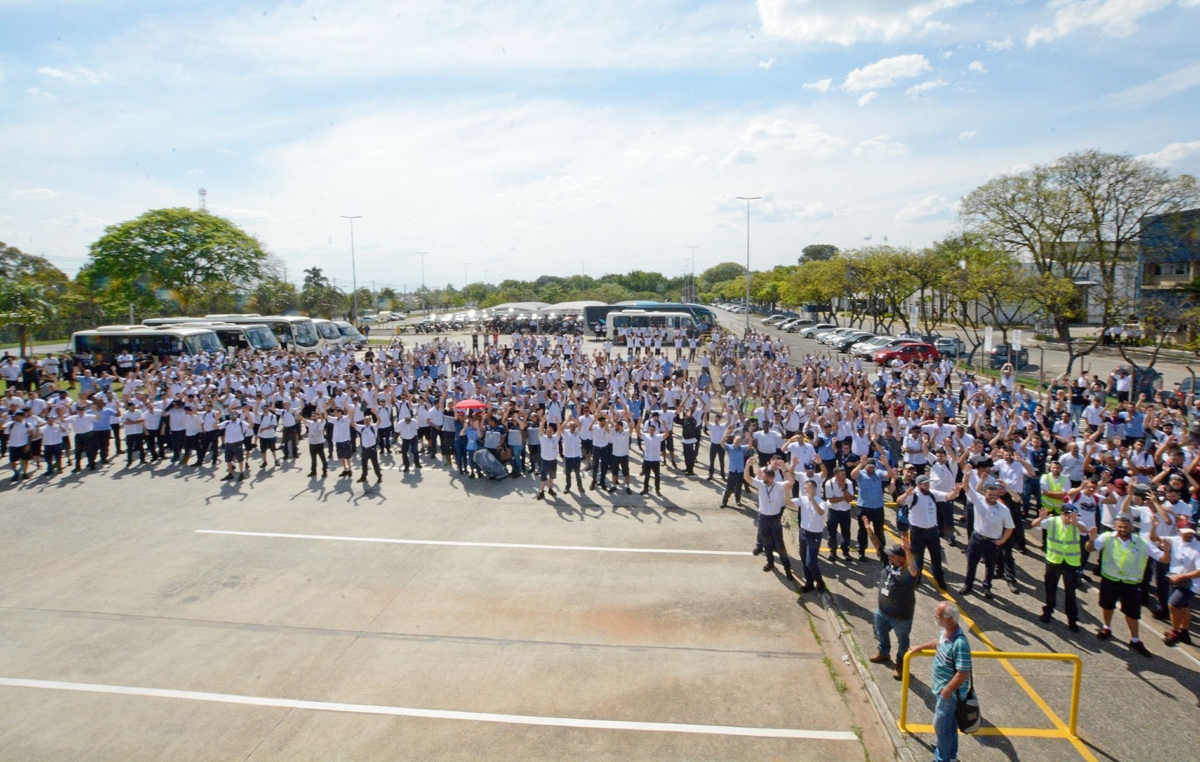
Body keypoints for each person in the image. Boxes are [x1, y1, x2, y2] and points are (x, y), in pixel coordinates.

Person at [1087, 513, 1166, 656]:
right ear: (1115, 526)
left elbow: (1163, 559)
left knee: (1133, 613)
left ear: (1131, 527)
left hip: (1131, 584)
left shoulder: (1141, 542)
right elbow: (1090, 549)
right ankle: (1106, 627)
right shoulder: (1107, 537)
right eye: (1120, 527)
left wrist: (1166, 550)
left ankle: (1135, 639)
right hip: (1110, 580)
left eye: (1126, 526)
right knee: (1107, 606)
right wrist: (1091, 540)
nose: (1123, 529)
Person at [909, 602, 972, 762]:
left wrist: (947, 690)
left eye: (938, 614)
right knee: (949, 726)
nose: (935, 616)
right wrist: (919, 647)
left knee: (941, 726)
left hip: (949, 695)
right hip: (943, 691)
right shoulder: (946, 632)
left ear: (949, 619)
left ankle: (942, 758)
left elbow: (963, 672)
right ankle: (949, 753)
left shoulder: (960, 643)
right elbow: (938, 642)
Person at [958, 472, 1015, 599]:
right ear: (984, 494)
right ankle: (968, 585)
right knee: (971, 564)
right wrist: (967, 475)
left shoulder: (1003, 509)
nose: (993, 497)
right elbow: (966, 486)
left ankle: (987, 587)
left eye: (995, 495)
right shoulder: (978, 500)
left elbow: (1010, 527)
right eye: (990, 495)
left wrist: (1002, 540)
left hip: (993, 542)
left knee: (990, 566)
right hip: (977, 538)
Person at [871, 535, 920, 681]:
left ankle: (900, 664)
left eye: (893, 556)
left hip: (901, 616)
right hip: (882, 611)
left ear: (902, 558)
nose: (890, 558)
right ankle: (883, 652)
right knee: (881, 632)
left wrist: (908, 551)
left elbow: (914, 570)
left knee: (903, 641)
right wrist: (868, 529)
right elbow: (877, 544)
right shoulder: (888, 563)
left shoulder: (907, 572)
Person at [1032, 503, 1084, 632]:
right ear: (1063, 514)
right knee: (1050, 588)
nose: (1072, 518)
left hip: (1071, 563)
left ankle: (1072, 619)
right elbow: (1035, 524)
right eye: (1069, 515)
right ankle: (1048, 611)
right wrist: (1041, 518)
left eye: (1074, 515)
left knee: (1070, 592)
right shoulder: (1053, 521)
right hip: (1054, 560)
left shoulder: (1077, 524)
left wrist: (1076, 523)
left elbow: (1084, 530)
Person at [745, 457, 797, 585]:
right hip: (764, 517)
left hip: (774, 518)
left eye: (764, 477)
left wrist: (785, 469)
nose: (762, 478)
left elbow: (791, 481)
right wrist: (747, 465)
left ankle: (787, 569)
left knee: (780, 545)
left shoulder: (779, 486)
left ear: (770, 478)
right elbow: (747, 478)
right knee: (766, 542)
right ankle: (770, 562)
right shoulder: (761, 485)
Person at [1162, 522, 1200, 646]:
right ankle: (1184, 633)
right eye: (1186, 532)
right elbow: (1155, 539)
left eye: (1191, 532)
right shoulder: (1176, 540)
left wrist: (1180, 576)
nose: (1189, 534)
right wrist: (1153, 526)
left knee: (1173, 605)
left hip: (1191, 584)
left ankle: (1174, 633)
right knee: (1184, 607)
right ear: (1179, 531)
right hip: (1175, 580)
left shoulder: (1198, 548)